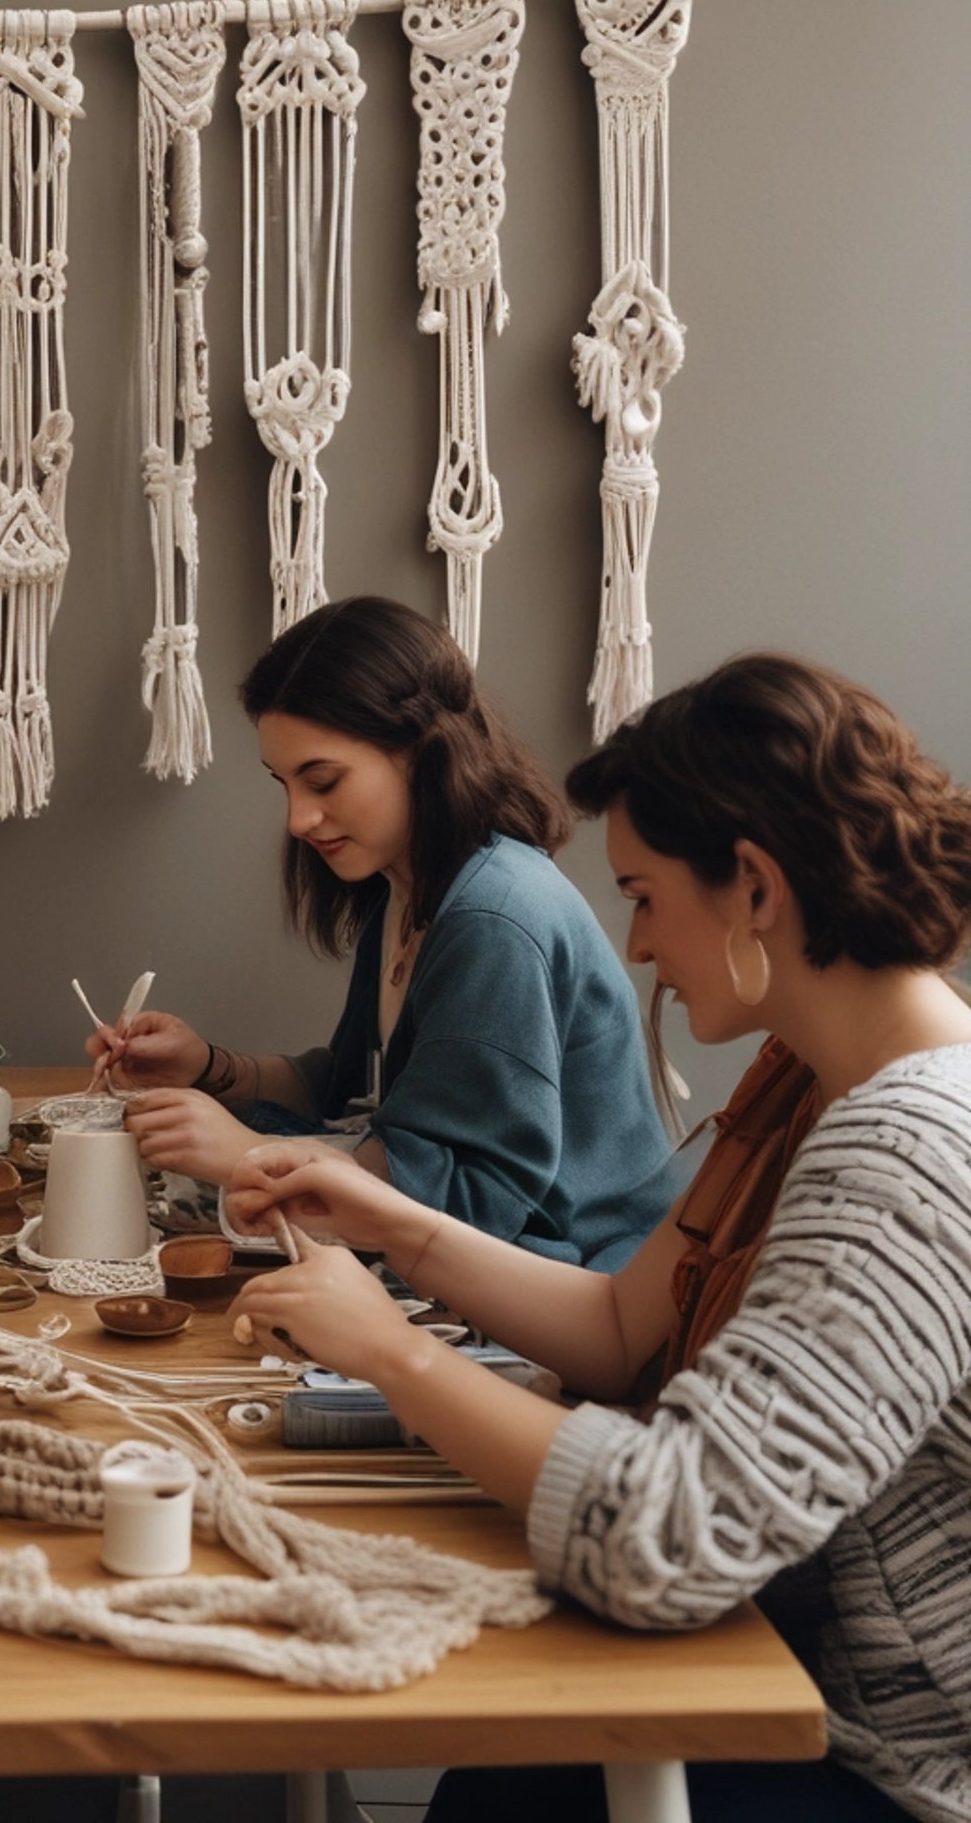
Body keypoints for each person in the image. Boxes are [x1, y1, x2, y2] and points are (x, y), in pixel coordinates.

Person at [225, 653, 971, 1822]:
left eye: (642, 895)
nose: (631, 946)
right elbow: (629, 1325)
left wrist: (393, 1356)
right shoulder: (809, 1082)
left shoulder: (909, 1151)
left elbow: (667, 1539)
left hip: (898, 1773)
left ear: (754, 888)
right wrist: (400, 1228)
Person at [94, 596, 675, 1269]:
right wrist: (210, 1069)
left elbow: (473, 1201)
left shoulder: (494, 919)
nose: (299, 819)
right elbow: (351, 1091)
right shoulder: (409, 888)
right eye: (284, 784)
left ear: (423, 751)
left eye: (323, 780)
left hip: (575, 1281)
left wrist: (248, 1157)